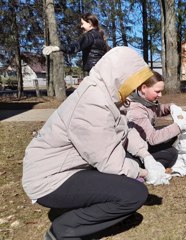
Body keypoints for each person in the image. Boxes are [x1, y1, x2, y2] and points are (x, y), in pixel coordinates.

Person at [22, 47, 171, 240]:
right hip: (49, 178)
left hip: (70, 167)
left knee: (127, 181)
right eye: (134, 81)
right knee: (133, 193)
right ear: (120, 75)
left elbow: (124, 132)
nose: (135, 87)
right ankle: (63, 230)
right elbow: (109, 161)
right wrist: (146, 173)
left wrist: (146, 156)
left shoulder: (107, 95)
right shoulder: (92, 103)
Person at [125, 71, 186, 172]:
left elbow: (156, 110)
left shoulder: (143, 100)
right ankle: (141, 166)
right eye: (157, 91)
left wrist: (170, 107)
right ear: (144, 88)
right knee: (171, 153)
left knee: (170, 134)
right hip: (134, 149)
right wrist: (179, 126)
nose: (160, 95)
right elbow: (153, 138)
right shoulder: (136, 110)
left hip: (143, 140)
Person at [42, 13, 110, 73]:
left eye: (83, 23)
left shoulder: (90, 35)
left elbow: (75, 46)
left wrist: (57, 48)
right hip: (101, 69)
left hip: (93, 70)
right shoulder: (100, 36)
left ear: (89, 23)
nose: (81, 26)